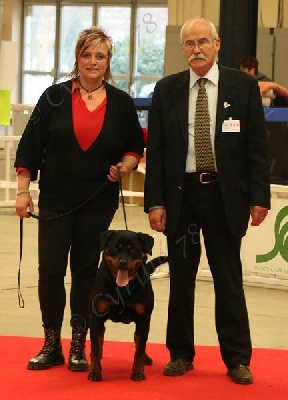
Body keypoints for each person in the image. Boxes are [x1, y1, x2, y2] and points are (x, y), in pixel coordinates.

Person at [144, 18, 270, 384]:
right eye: (188, 43)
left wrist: (259, 196)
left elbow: (257, 150)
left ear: (217, 44)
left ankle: (237, 359)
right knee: (181, 278)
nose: (195, 49)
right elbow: (159, 152)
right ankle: (181, 354)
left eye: (202, 41)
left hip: (224, 197)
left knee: (227, 279)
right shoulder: (166, 89)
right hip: (181, 197)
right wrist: (155, 202)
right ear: (182, 48)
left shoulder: (243, 86)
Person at [15, 27, 144, 372]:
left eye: (99, 56)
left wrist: (124, 166)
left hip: (98, 201)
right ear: (77, 59)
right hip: (56, 201)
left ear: (107, 62)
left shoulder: (121, 103)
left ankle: (77, 345)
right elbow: (29, 147)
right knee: (50, 272)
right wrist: (23, 190)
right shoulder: (53, 98)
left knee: (87, 273)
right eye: (86, 55)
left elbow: (135, 148)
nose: (92, 61)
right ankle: (50, 342)